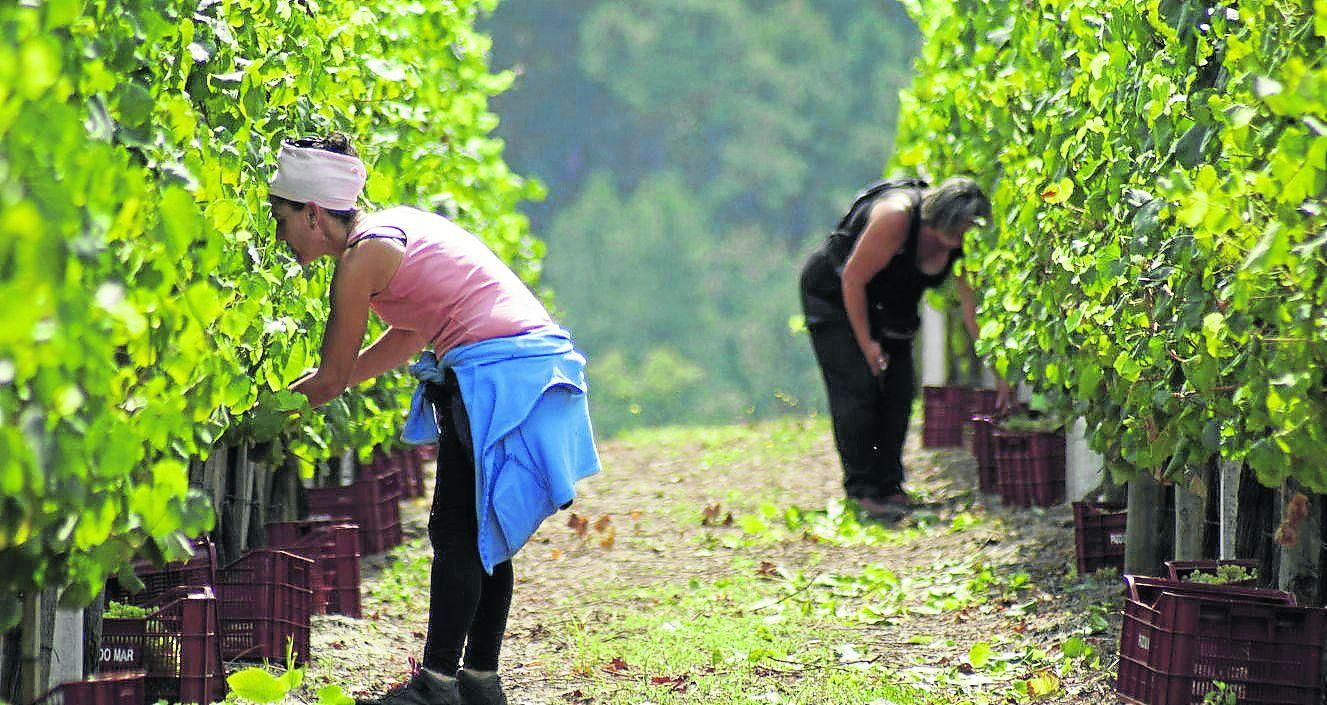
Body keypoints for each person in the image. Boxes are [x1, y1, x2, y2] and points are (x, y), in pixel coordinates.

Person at [268, 134, 600, 705]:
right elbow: (412, 335)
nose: (280, 235)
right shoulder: (393, 230)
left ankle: (439, 683)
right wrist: (328, 384)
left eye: (283, 219)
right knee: (482, 530)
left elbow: (330, 375)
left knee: (456, 534)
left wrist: (258, 416)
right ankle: (478, 679)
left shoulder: (359, 260)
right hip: (528, 365)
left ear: (314, 214)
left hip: (500, 373)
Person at [799, 176, 1002, 520]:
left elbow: (973, 313)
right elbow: (853, 279)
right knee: (859, 389)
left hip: (890, 309)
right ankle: (863, 490)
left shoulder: (961, 243)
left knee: (898, 392)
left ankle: (890, 485)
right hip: (836, 298)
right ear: (937, 220)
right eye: (957, 233)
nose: (959, 243)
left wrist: (1000, 373)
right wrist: (866, 344)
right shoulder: (895, 217)